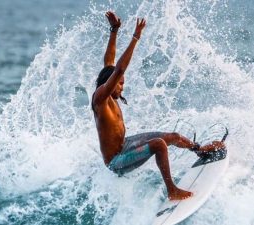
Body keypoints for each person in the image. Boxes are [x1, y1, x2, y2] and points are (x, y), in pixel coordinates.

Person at [92, 11, 226, 201]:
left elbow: (110, 62)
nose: (122, 86)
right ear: (109, 83)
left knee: (173, 136)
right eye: (119, 83)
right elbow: (119, 68)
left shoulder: (109, 91)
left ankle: (200, 149)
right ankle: (172, 190)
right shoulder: (100, 98)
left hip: (125, 144)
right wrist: (135, 37)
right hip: (116, 161)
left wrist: (114, 31)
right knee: (159, 145)